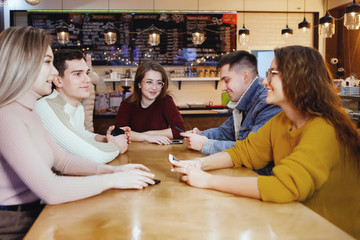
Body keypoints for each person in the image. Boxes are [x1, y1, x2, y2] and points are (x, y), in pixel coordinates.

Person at [0, 26, 156, 239]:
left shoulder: (30, 112)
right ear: (22, 63)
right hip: (11, 225)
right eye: (47, 62)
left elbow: (62, 161)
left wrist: (113, 172)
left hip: (34, 213)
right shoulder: (6, 116)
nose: (54, 72)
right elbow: (52, 190)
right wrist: (112, 181)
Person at [170, 45, 360, 203]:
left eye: (272, 74)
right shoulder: (281, 121)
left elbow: (284, 187)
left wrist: (208, 181)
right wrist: (198, 164)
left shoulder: (323, 128)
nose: (265, 81)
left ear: (298, 79)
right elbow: (242, 152)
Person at [181, 51, 281, 175]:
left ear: (245, 76)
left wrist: (205, 144)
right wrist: (201, 135)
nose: (222, 88)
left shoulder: (268, 103)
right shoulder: (242, 102)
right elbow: (225, 132)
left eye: (226, 80)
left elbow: (250, 151)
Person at [35, 49, 127, 164]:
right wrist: (117, 145)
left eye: (87, 73)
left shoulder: (77, 106)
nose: (87, 79)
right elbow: (96, 157)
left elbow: (81, 134)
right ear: (58, 81)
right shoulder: (47, 108)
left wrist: (105, 138)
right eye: (77, 74)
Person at [114, 60, 185, 145]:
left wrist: (145, 135)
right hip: (134, 154)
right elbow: (118, 133)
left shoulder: (166, 101)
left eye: (158, 83)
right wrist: (147, 138)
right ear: (139, 84)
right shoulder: (127, 104)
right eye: (149, 82)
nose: (154, 87)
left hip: (160, 154)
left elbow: (180, 130)